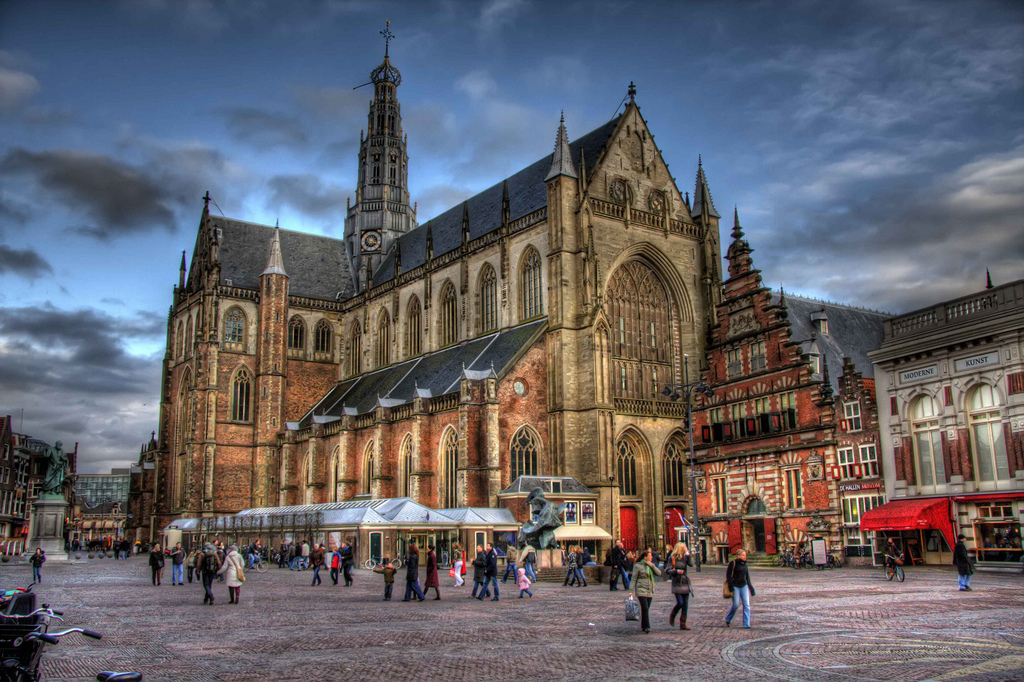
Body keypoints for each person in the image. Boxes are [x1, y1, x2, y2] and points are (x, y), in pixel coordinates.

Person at [629, 547, 662, 633]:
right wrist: (631, 591)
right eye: (650, 556)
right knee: (644, 607)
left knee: (646, 608)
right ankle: (647, 626)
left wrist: (652, 566)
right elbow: (634, 578)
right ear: (645, 557)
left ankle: (643, 625)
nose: (651, 557)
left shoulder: (651, 565)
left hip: (649, 589)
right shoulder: (638, 566)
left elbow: (659, 573)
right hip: (641, 589)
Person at [666, 542, 694, 630]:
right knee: (680, 602)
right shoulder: (672, 557)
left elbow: (691, 564)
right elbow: (667, 570)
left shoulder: (685, 558)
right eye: (684, 548)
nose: (685, 548)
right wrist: (677, 571)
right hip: (677, 582)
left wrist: (687, 553)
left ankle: (683, 623)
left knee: (685, 604)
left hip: (685, 582)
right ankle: (673, 615)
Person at [725, 549, 755, 628]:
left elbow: (747, 577)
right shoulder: (733, 563)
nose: (745, 557)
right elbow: (729, 576)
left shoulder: (745, 564)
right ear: (738, 556)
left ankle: (746, 624)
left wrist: (751, 588)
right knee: (736, 604)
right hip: (735, 586)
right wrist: (731, 587)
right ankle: (728, 618)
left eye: (745, 555)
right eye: (743, 555)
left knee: (746, 605)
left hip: (743, 585)